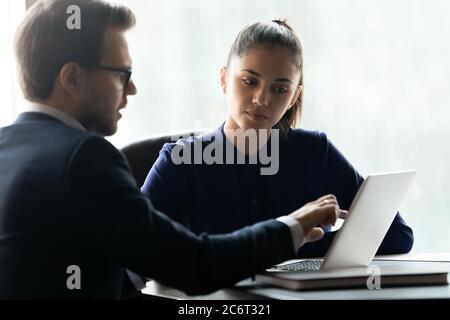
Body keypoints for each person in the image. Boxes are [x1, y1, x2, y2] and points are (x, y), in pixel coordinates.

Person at [0, 0, 342, 299]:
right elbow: (194, 266)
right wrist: (292, 226)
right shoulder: (86, 158)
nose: (132, 88)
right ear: (72, 78)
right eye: (122, 73)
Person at [141, 20, 414, 258]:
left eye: (280, 88)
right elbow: (133, 249)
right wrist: (293, 233)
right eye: (249, 81)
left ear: (294, 96)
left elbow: (398, 236)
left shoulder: (315, 152)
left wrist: (313, 240)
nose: (262, 99)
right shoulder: (180, 162)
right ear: (224, 80)